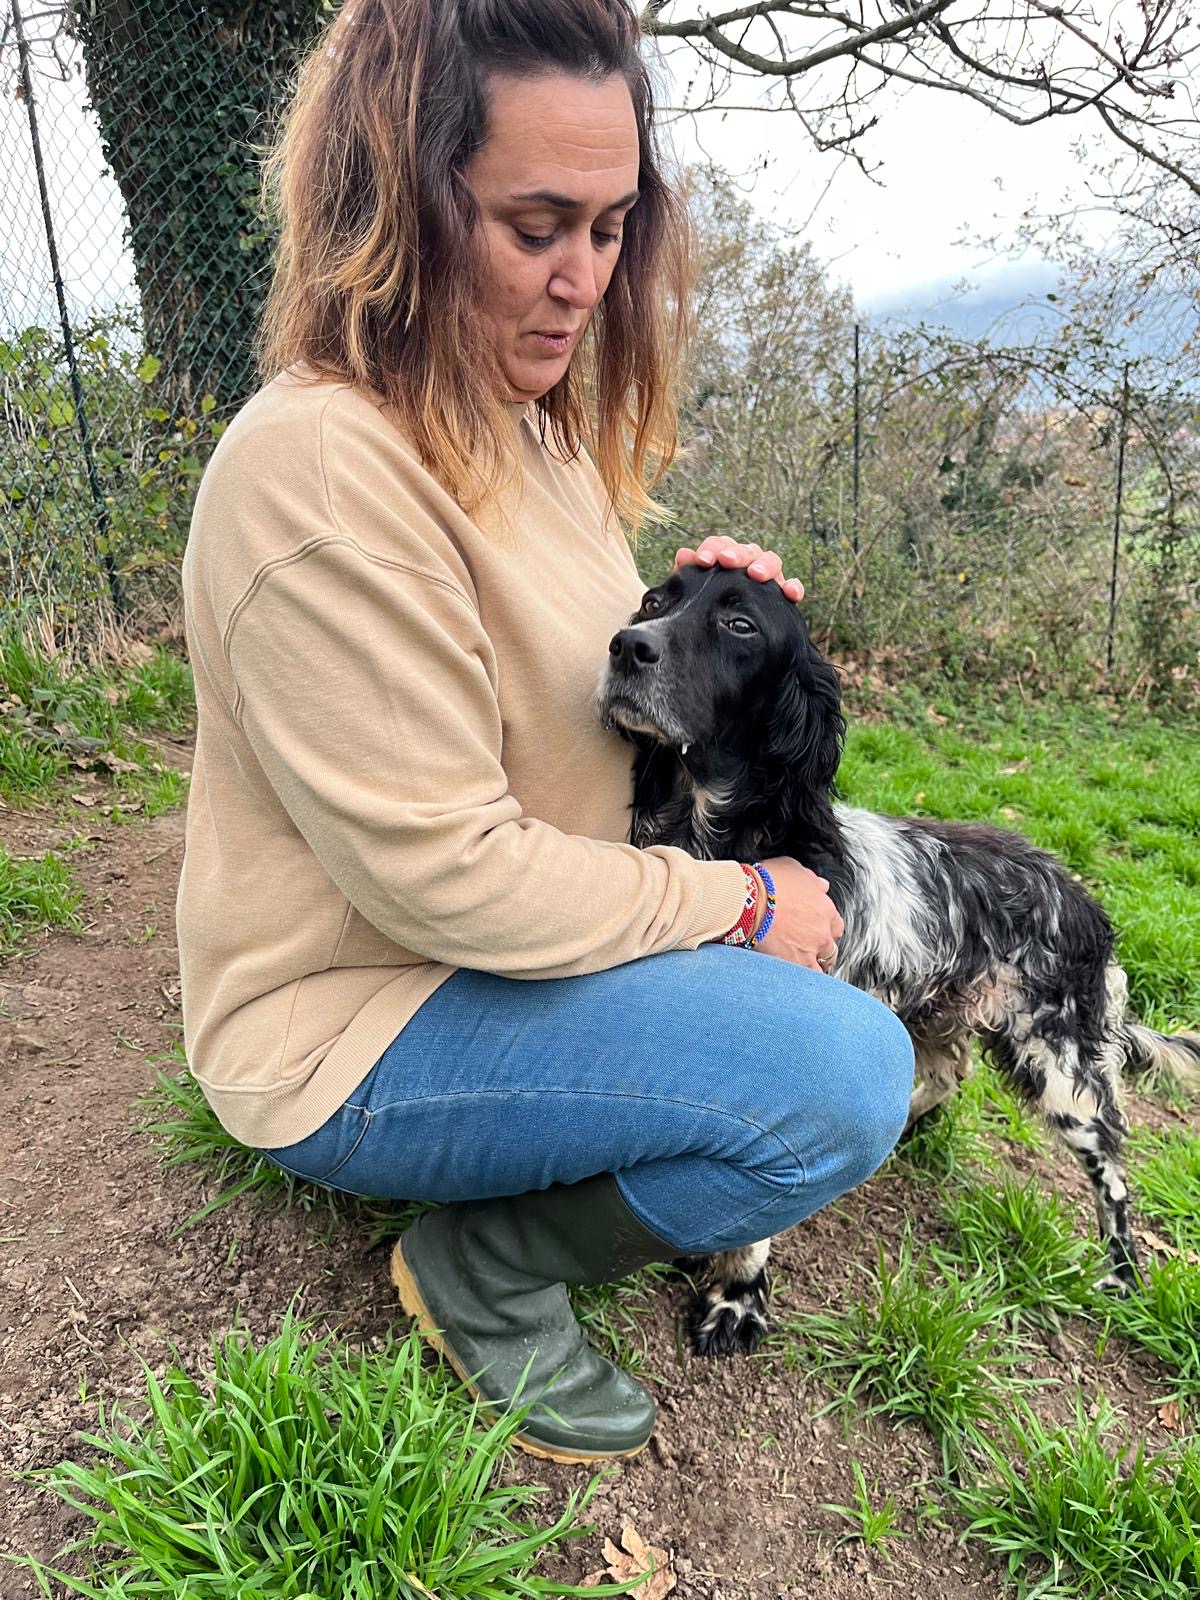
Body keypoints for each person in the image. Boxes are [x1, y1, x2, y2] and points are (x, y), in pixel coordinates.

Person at [176, 0, 914, 1465]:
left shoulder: (520, 418)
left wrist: (706, 618)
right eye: (536, 227)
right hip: (362, 1016)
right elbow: (446, 879)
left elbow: (552, 669)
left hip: (525, 948)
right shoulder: (321, 476)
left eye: (612, 226)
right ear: (395, 205)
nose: (585, 279)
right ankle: (489, 1268)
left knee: (823, 1026)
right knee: (843, 1082)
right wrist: (737, 903)